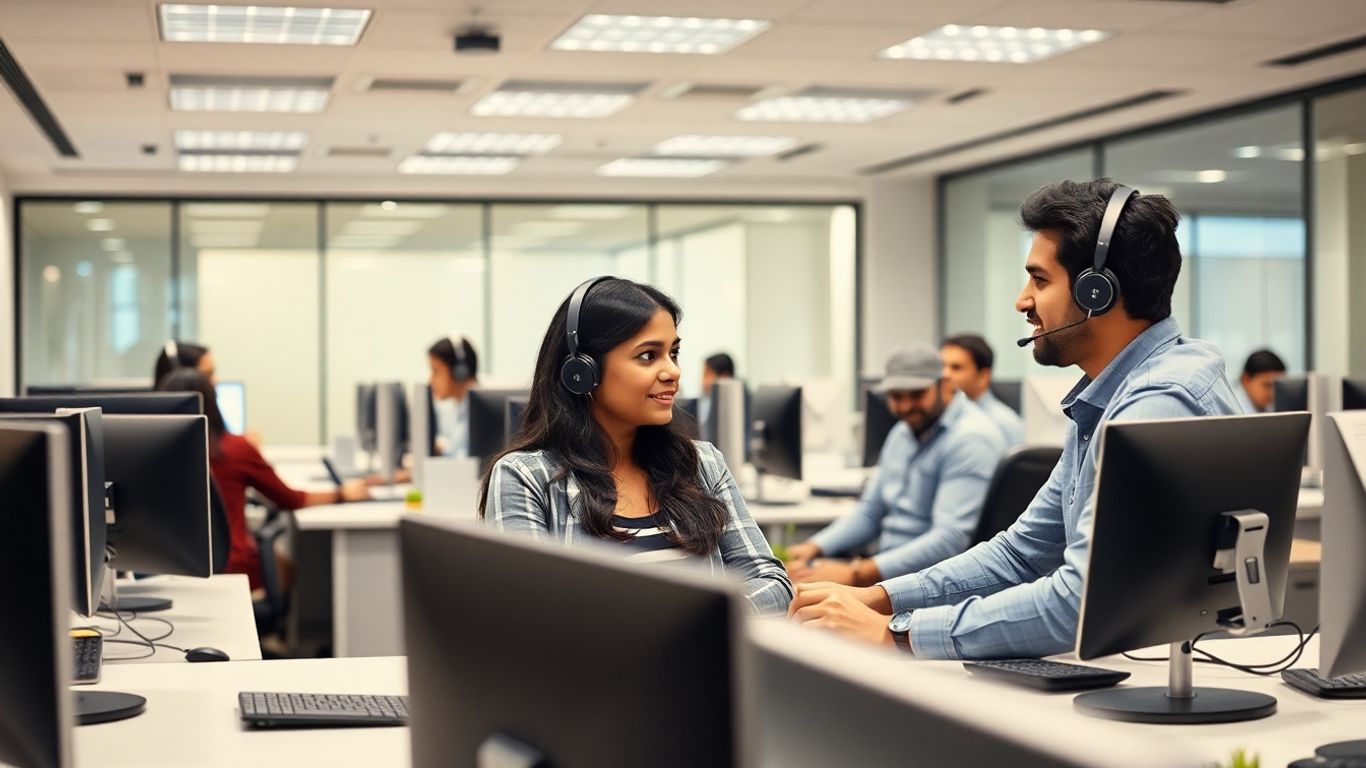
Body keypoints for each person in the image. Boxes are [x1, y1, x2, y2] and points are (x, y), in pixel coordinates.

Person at [789, 179, 1241, 659]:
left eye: (1040, 280)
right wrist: (878, 597)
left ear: (1097, 291)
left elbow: (1079, 601)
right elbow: (1021, 553)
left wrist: (897, 632)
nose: (1022, 300)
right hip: (1139, 662)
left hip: (1163, 671)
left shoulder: (1156, 404)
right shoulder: (1104, 399)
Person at [478, 277, 792, 614]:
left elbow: (771, 582)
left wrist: (692, 627)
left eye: (673, 353)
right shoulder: (525, 477)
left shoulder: (702, 464)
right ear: (582, 371)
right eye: (648, 356)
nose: (672, 371)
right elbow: (528, 611)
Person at [784, 345, 1007, 587]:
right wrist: (815, 546)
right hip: (887, 570)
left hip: (929, 583)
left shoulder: (972, 439)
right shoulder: (902, 433)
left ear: (944, 386)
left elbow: (949, 539)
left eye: (917, 395)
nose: (905, 407)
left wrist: (857, 573)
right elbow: (871, 512)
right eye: (896, 397)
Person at [157, 368, 369, 592]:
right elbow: (290, 499)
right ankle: (273, 625)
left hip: (173, 567)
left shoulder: (156, 456)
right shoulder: (234, 449)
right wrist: (342, 494)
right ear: (213, 402)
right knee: (288, 570)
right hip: (231, 566)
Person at [941, 334, 1024, 447]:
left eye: (956, 368)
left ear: (983, 377)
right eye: (941, 366)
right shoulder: (940, 417)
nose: (944, 375)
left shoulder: (1004, 424)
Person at [427, 336, 480, 456]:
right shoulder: (448, 409)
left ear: (459, 372)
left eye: (436, 371)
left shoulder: (482, 415)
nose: (430, 381)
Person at [697, 352, 736, 439]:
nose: (703, 381)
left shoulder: (738, 408)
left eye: (707, 375)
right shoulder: (704, 403)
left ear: (724, 377)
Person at [1237, 348, 1287, 414]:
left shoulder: (1271, 406)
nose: (1273, 393)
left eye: (1277, 386)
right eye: (1267, 385)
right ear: (1246, 380)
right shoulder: (1230, 409)